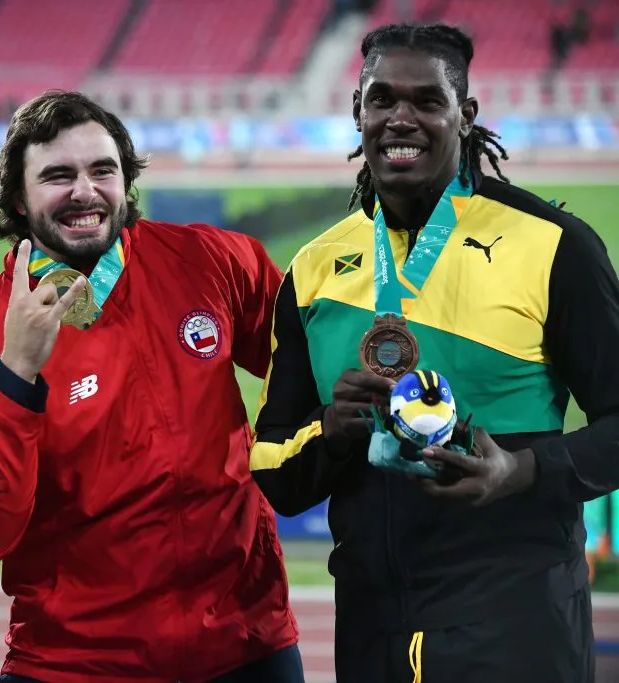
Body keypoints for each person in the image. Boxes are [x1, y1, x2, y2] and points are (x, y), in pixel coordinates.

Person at [249, 22, 619, 683]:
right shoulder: (313, 269)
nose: (401, 118)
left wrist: (523, 470)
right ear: (356, 112)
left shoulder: (555, 246)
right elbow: (274, 465)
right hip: (371, 628)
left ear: (465, 114)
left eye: (426, 100)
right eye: (381, 99)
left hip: (517, 624)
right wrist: (329, 435)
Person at [0, 91, 303, 683]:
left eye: (102, 170)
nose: (85, 191)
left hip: (245, 643)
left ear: (125, 182)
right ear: (17, 201)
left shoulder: (210, 261)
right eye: (57, 176)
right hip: (75, 664)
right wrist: (17, 375)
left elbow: (310, 369)